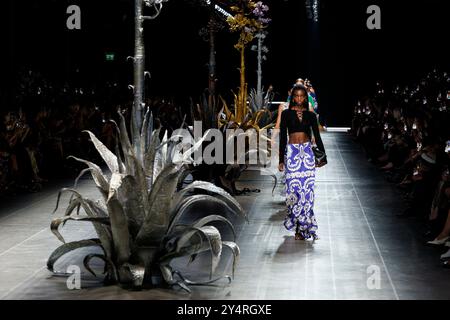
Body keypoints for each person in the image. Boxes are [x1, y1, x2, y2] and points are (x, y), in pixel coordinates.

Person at [278, 85, 327, 240]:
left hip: (306, 155)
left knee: (307, 193)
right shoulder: (286, 114)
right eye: (296, 96)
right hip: (292, 155)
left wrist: (323, 156)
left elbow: (317, 137)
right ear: (293, 97)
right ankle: (297, 224)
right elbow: (283, 138)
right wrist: (281, 160)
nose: (299, 98)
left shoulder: (311, 116)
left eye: (302, 96)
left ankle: (302, 228)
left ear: (305, 98)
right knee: (293, 192)